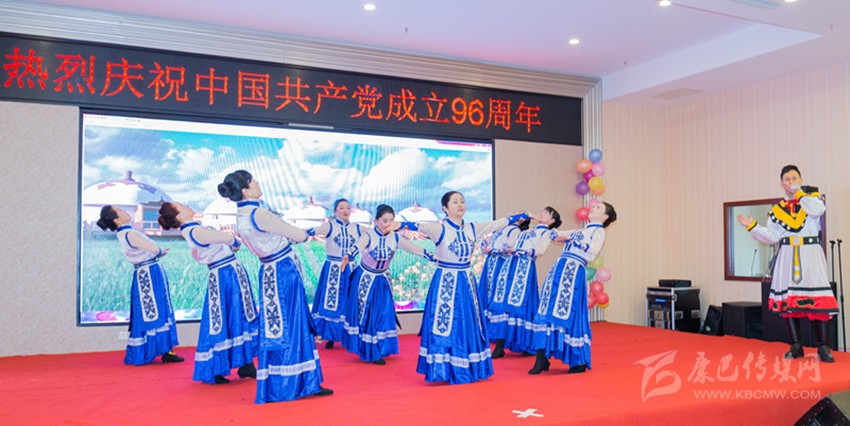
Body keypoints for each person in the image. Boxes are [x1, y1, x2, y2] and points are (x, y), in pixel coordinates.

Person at [218, 170, 332, 403]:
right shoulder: (259, 213)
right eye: (253, 180)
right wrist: (303, 234)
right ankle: (298, 383)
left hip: (269, 270)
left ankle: (286, 382)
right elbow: (298, 235)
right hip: (283, 271)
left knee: (277, 327)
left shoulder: (241, 215)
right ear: (246, 189)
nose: (258, 182)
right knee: (293, 325)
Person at [398, 191, 528, 384]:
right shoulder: (439, 228)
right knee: (445, 324)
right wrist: (395, 224)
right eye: (455, 202)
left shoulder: (472, 228)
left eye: (462, 201)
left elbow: (497, 223)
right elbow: (415, 225)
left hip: (466, 282)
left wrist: (520, 216)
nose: (460, 204)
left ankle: (467, 367)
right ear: (445, 208)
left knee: (467, 322)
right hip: (445, 281)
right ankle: (443, 370)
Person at [737, 165, 838, 362]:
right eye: (787, 179)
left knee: (817, 298)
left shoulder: (812, 199)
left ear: (800, 180)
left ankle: (823, 346)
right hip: (787, 255)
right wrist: (753, 227)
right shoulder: (778, 209)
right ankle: (796, 345)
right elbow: (773, 236)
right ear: (781, 183)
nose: (791, 182)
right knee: (789, 302)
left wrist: (799, 194)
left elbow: (817, 211)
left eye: (794, 178)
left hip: (811, 254)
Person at [157, 202, 259, 385]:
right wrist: (232, 239)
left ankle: (244, 362)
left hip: (229, 271)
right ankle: (217, 367)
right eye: (181, 206)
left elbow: (227, 242)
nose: (187, 206)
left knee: (236, 315)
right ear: (178, 215)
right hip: (224, 275)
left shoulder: (195, 229)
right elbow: (227, 239)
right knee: (224, 318)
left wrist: (231, 241)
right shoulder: (194, 230)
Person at [339, 204, 435, 364]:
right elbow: (357, 247)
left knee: (384, 314)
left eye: (391, 220)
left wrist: (432, 257)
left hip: (382, 279)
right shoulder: (369, 235)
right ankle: (370, 351)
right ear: (376, 220)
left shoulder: (395, 237)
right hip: (365, 279)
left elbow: (414, 248)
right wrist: (348, 256)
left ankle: (381, 348)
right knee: (368, 315)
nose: (388, 224)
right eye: (384, 221)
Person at [528, 201, 616, 375]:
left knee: (570, 312)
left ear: (604, 216)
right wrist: (543, 224)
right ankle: (541, 356)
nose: (593, 208)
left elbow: (592, 250)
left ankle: (577, 358)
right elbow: (555, 234)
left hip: (573, 270)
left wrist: (571, 239)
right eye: (594, 206)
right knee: (546, 309)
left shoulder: (598, 232)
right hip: (560, 268)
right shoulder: (581, 231)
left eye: (598, 207)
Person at [96, 205, 184, 366]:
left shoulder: (124, 233)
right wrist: (161, 251)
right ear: (116, 220)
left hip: (145, 272)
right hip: (149, 274)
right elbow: (153, 249)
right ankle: (161, 350)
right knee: (155, 309)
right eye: (120, 211)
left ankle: (162, 350)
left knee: (152, 310)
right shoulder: (129, 233)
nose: (124, 211)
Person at [489, 207, 561, 358]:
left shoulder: (547, 233)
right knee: (504, 303)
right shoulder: (526, 231)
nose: (542, 213)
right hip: (511, 265)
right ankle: (500, 344)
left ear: (552, 221)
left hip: (525, 267)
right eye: (542, 211)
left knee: (523, 304)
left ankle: (526, 343)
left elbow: (539, 251)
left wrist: (518, 251)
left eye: (546, 213)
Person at [306, 198, 365, 350]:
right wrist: (296, 234)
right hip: (333, 268)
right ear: (335, 211)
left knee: (350, 301)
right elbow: (313, 231)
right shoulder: (330, 226)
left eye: (347, 208)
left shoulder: (357, 228)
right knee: (330, 301)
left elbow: (374, 234)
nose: (345, 210)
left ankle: (349, 335)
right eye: (341, 208)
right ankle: (329, 336)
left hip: (351, 268)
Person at [478, 220, 524, 350]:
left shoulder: (515, 231)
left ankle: (497, 333)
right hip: (491, 263)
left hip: (501, 265)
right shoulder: (500, 230)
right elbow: (485, 247)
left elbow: (508, 249)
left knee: (496, 296)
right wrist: (486, 244)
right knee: (487, 294)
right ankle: (486, 330)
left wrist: (493, 249)